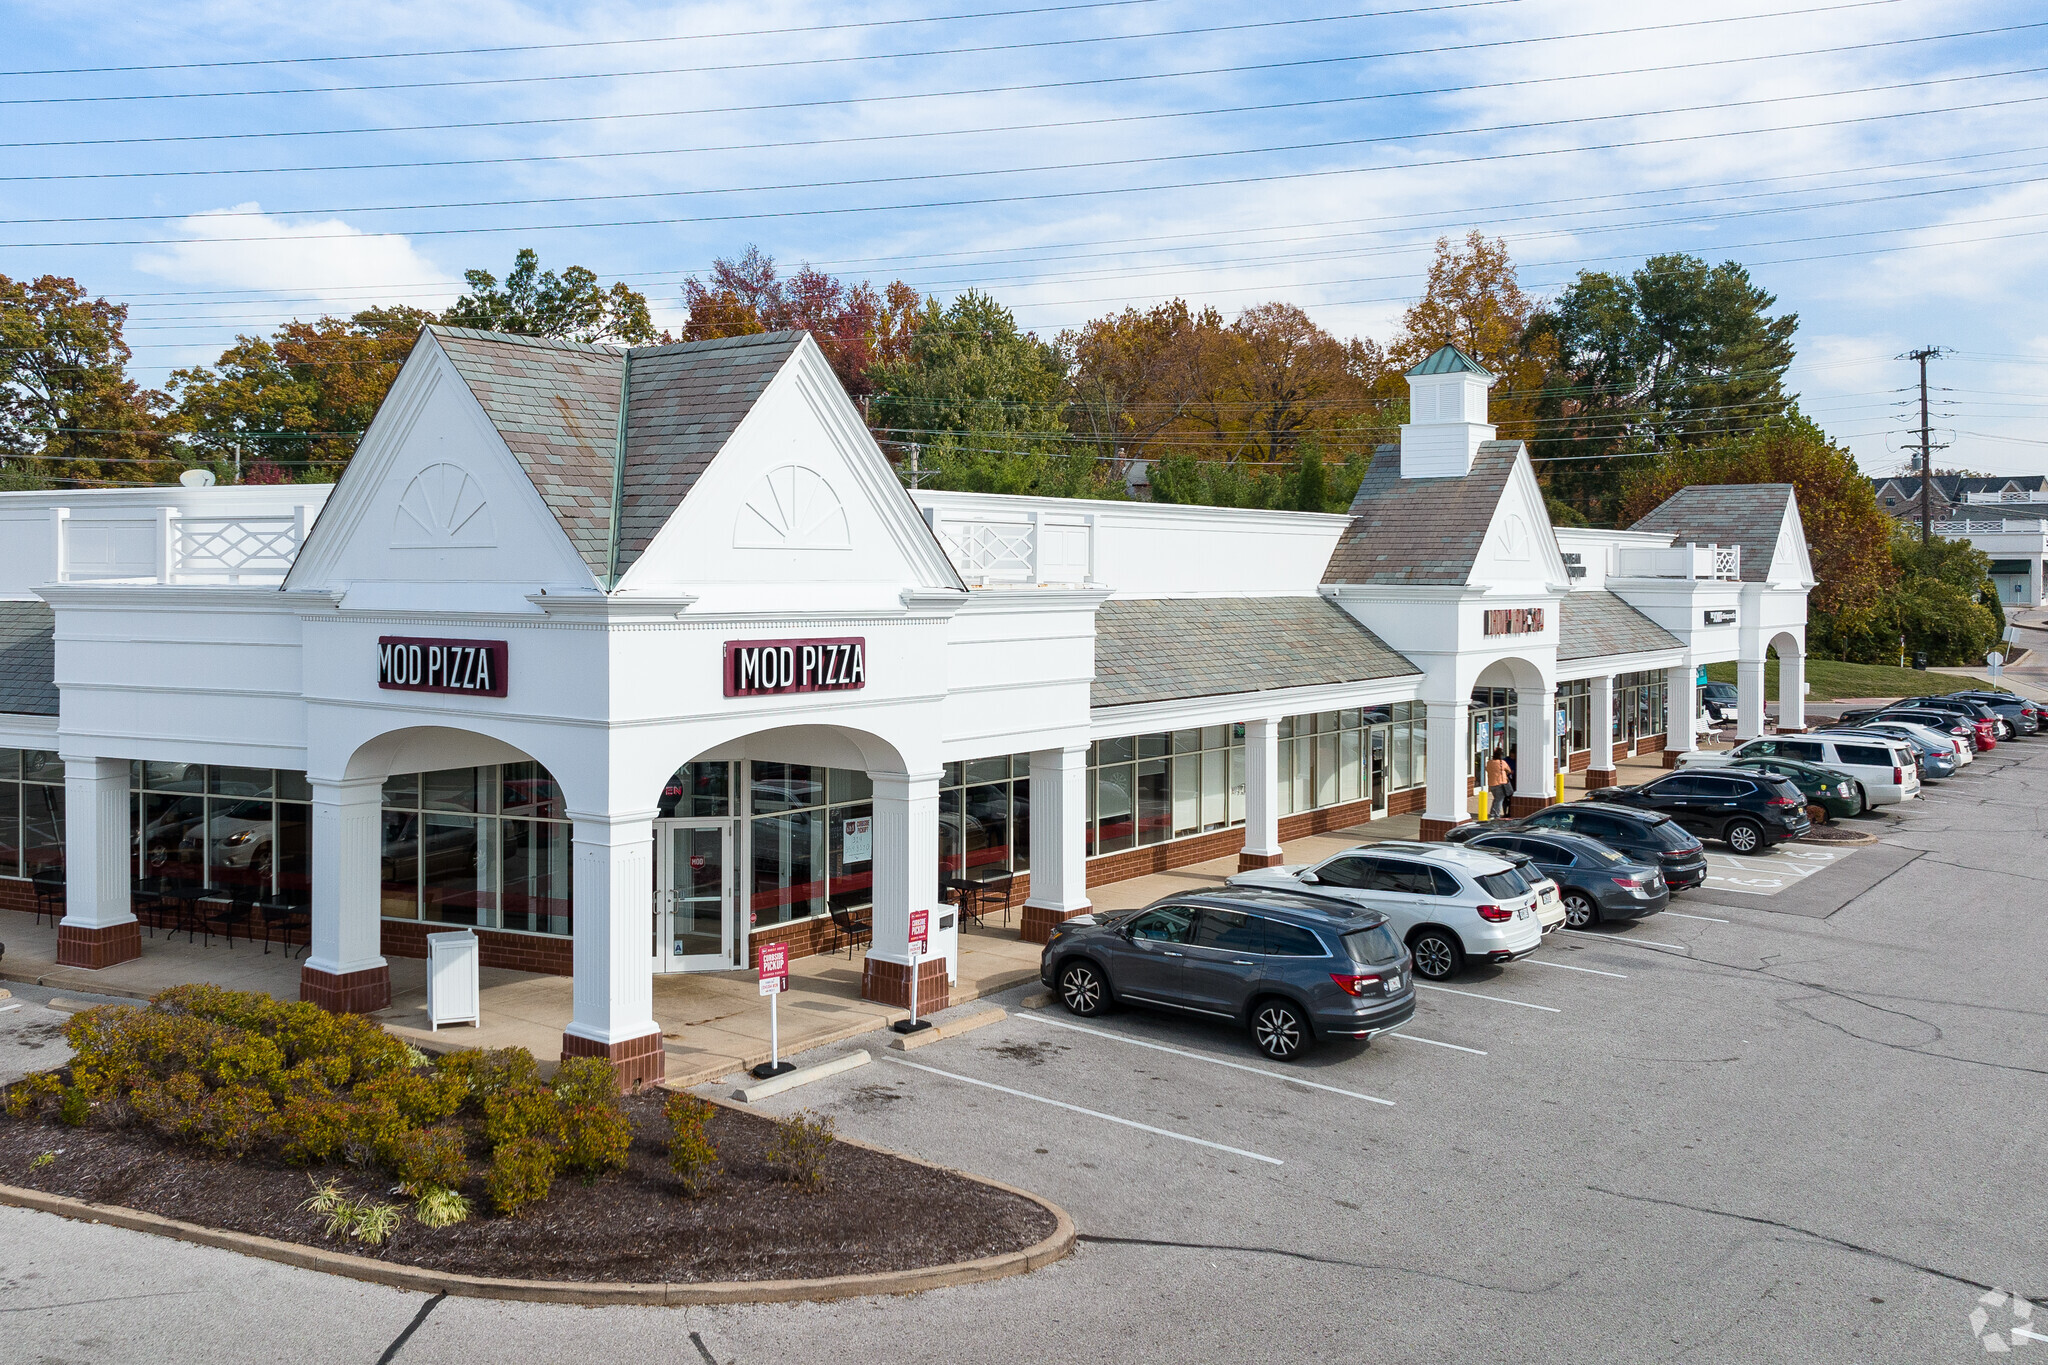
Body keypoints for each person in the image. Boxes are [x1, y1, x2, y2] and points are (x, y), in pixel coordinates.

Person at [1486, 748, 1513, 820]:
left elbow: (1487, 769)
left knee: (1496, 799)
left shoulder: (1489, 762)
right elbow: (1509, 770)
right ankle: (1496, 815)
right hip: (1500, 784)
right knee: (1499, 800)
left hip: (1491, 784)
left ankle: (1492, 813)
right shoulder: (1502, 762)